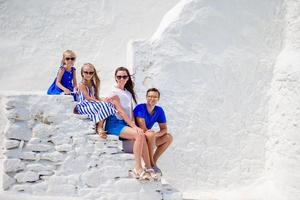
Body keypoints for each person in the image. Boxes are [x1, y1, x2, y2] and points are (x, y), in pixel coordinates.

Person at [105, 67, 156, 180]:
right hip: (114, 124)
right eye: (119, 77)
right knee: (139, 134)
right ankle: (138, 168)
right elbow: (121, 113)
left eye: (124, 76)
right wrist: (133, 126)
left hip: (125, 123)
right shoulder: (113, 92)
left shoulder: (127, 93)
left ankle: (148, 167)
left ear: (128, 78)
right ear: (115, 78)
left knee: (141, 133)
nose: (122, 79)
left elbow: (130, 112)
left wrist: (135, 126)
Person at [76, 63, 131, 139]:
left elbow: (96, 97)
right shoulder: (81, 84)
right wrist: (100, 102)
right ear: (82, 73)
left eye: (91, 73)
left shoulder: (93, 84)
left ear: (93, 73)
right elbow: (88, 98)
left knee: (109, 104)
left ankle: (100, 125)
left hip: (92, 103)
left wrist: (105, 99)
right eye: (86, 72)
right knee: (104, 105)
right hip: (84, 105)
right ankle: (99, 127)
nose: (88, 74)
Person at [134, 88, 173, 175]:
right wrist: (152, 135)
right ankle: (150, 164)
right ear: (146, 97)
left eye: (155, 97)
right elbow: (143, 129)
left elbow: (164, 129)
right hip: (139, 138)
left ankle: (153, 162)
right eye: (150, 96)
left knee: (168, 137)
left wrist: (156, 135)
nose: (152, 98)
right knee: (150, 133)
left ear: (158, 99)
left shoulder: (159, 110)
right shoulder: (140, 108)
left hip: (150, 137)